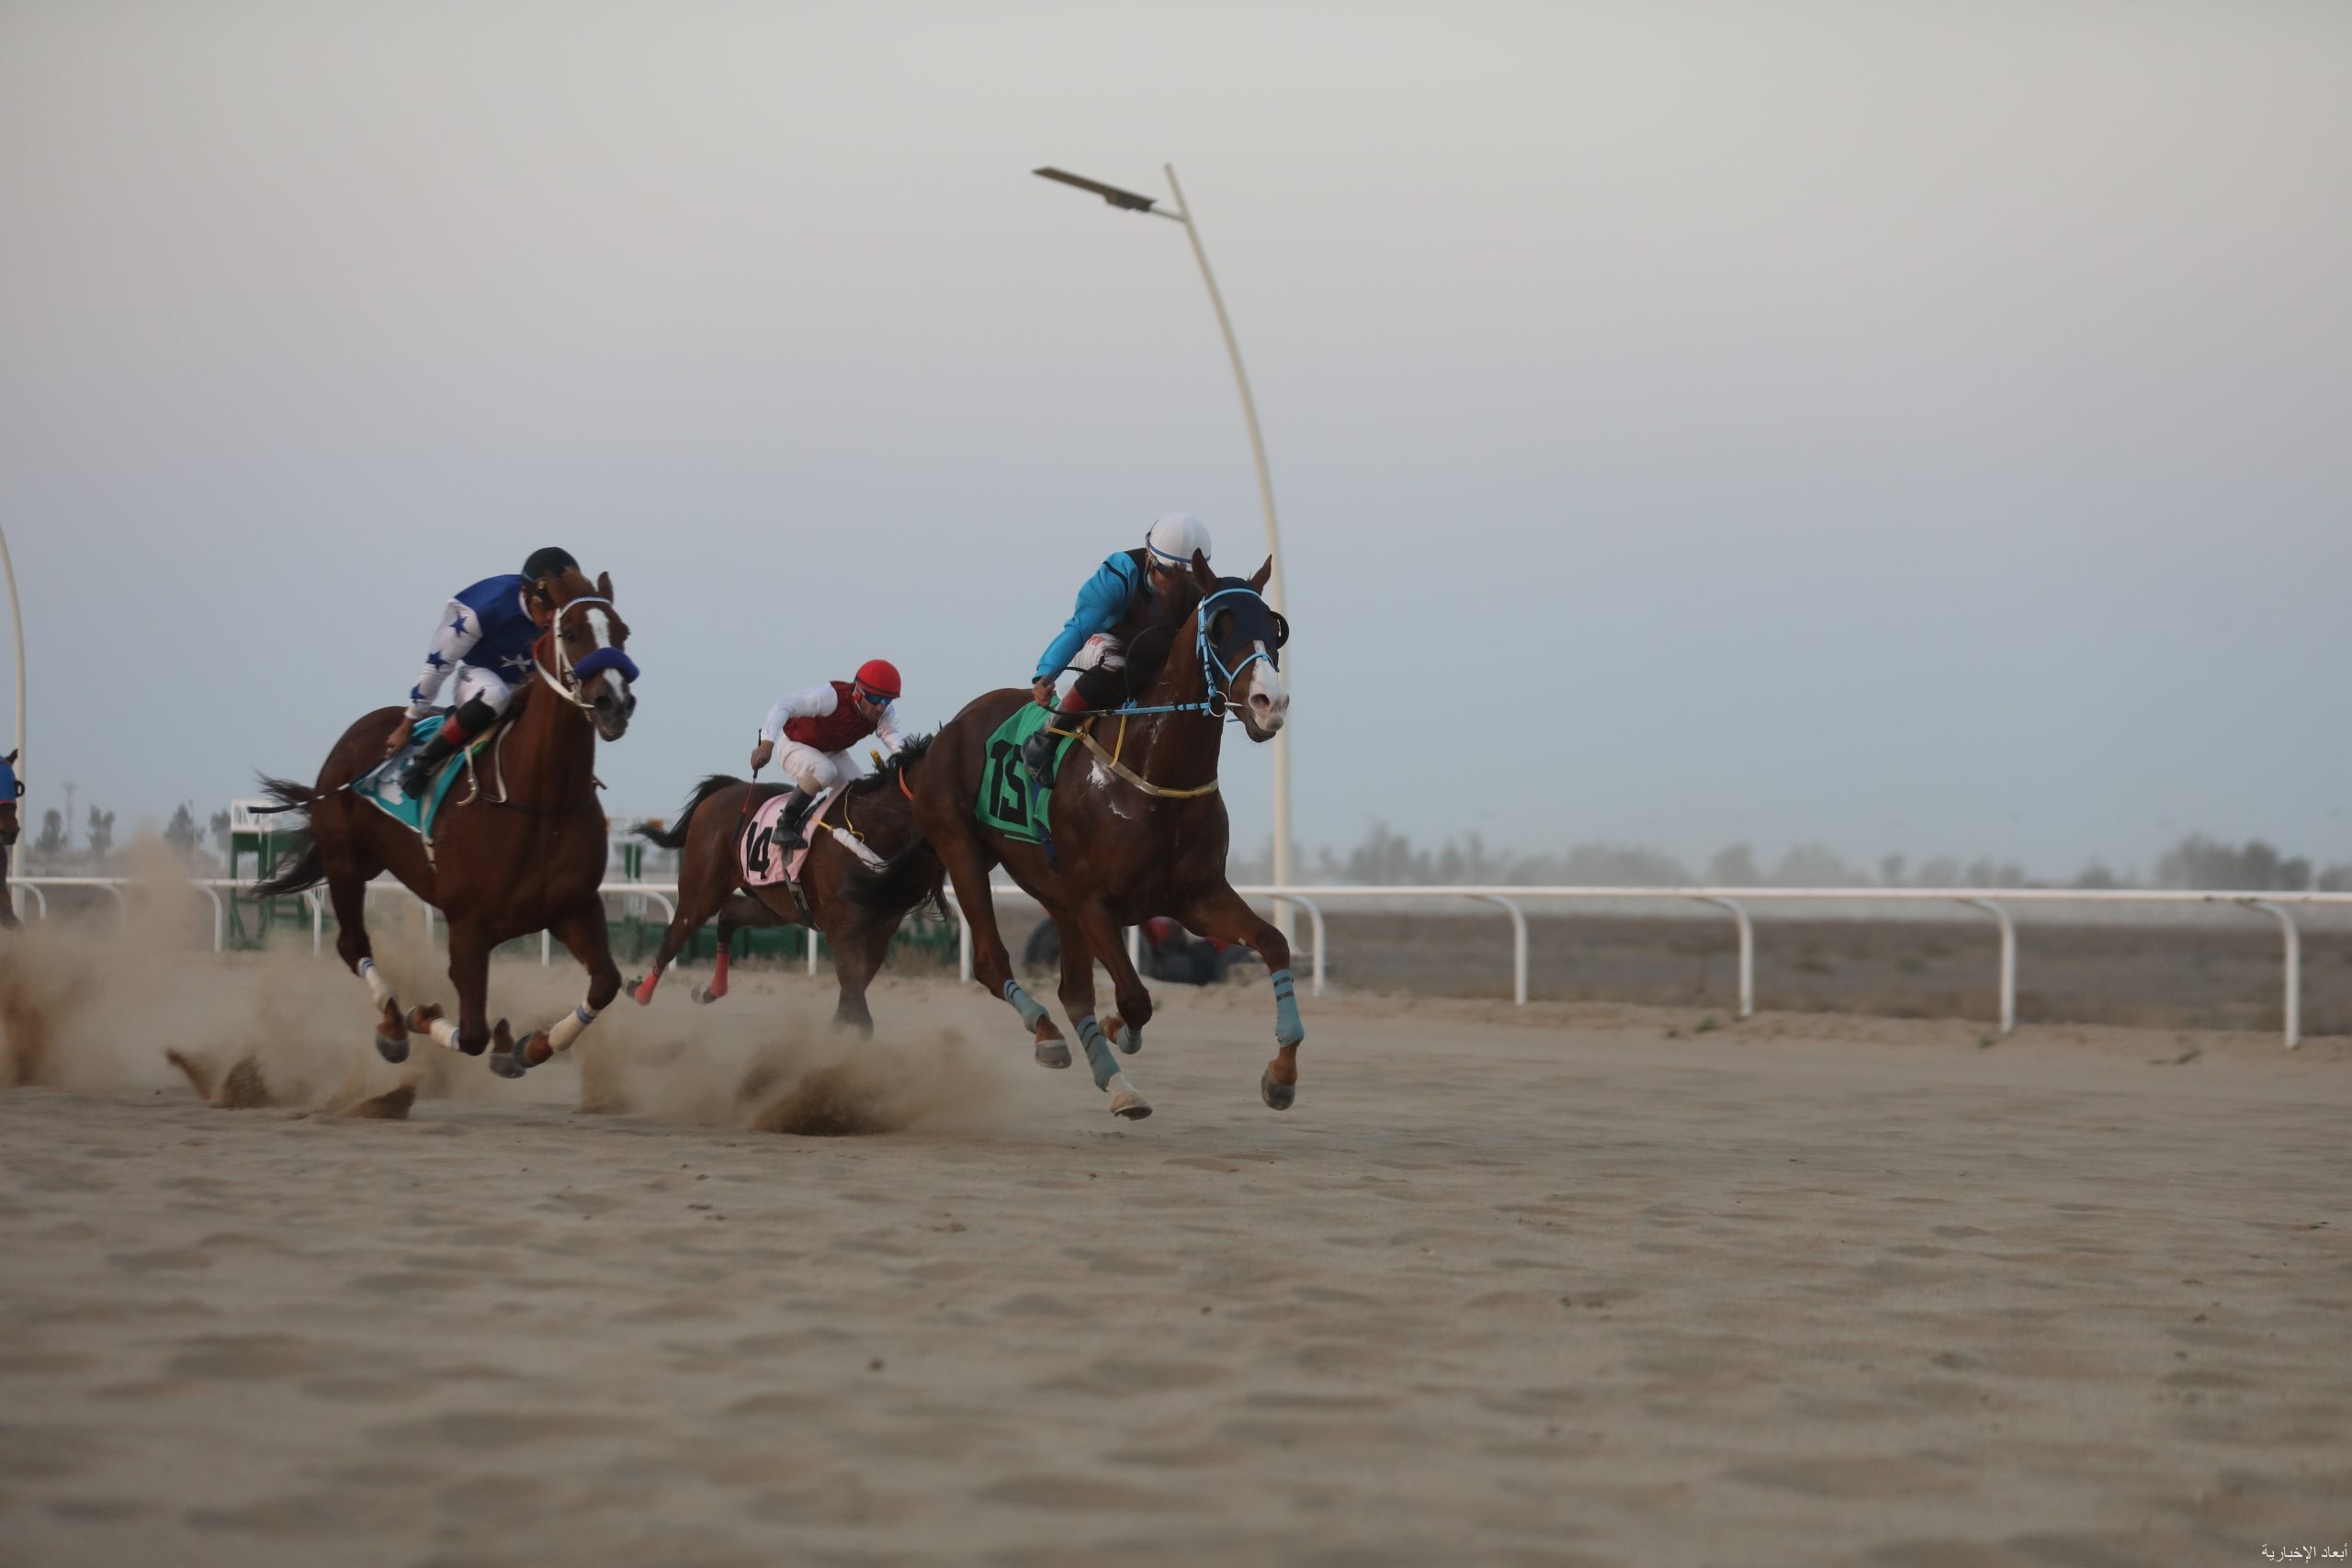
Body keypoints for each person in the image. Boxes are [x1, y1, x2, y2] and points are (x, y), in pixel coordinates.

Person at [1021, 512, 1210, 780]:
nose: (1175, 586)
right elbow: (1079, 627)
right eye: (1168, 574)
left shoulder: (1199, 591)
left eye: (1188, 579)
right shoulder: (1120, 573)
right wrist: (1046, 673)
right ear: (1149, 557)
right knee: (1118, 659)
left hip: (1149, 657)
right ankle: (1046, 737)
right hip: (1099, 644)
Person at [386, 547, 579, 798]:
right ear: (525, 592)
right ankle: (424, 762)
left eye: (559, 608)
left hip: (531, 685)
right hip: (479, 676)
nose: (551, 618)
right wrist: (408, 722)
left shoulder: (573, 614)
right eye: (543, 606)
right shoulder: (485, 606)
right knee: (495, 696)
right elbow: (438, 665)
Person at [750, 660, 907, 850]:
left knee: (863, 792)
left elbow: (894, 739)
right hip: (794, 746)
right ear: (858, 692)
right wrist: (767, 743)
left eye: (887, 701)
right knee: (825, 770)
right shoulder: (831, 697)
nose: (880, 707)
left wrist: (911, 762)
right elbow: (784, 705)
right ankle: (785, 825)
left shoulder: (885, 713)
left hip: (831, 752)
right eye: (875, 699)